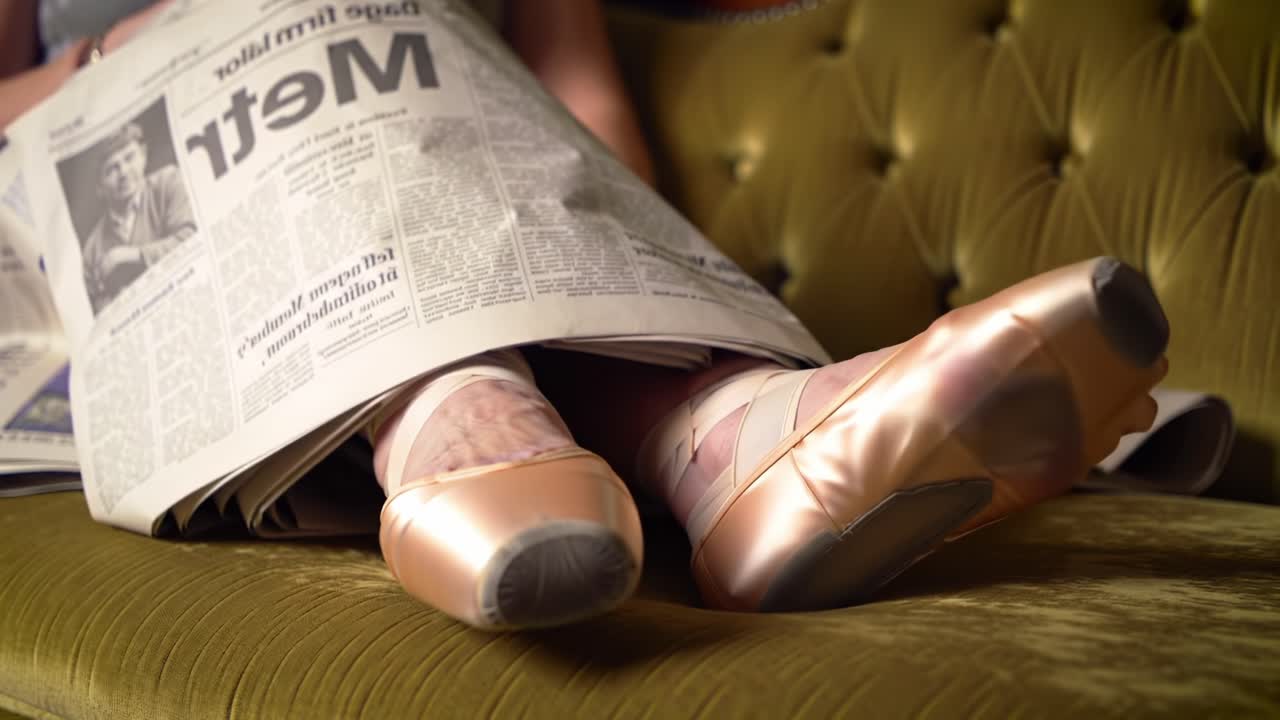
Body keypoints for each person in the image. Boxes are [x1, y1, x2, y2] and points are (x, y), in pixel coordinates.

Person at [0, 0, 1170, 630]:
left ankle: (682, 430)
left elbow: (579, 103)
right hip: (122, 217)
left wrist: (604, 269)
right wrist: (129, 47)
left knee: (449, 180)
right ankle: (704, 430)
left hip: (442, 168)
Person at [80, 122, 195, 313]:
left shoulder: (168, 183)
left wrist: (134, 255)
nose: (123, 173)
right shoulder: (92, 250)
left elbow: (191, 239)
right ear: (99, 187)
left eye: (129, 157)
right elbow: (100, 310)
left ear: (143, 155)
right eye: (112, 169)